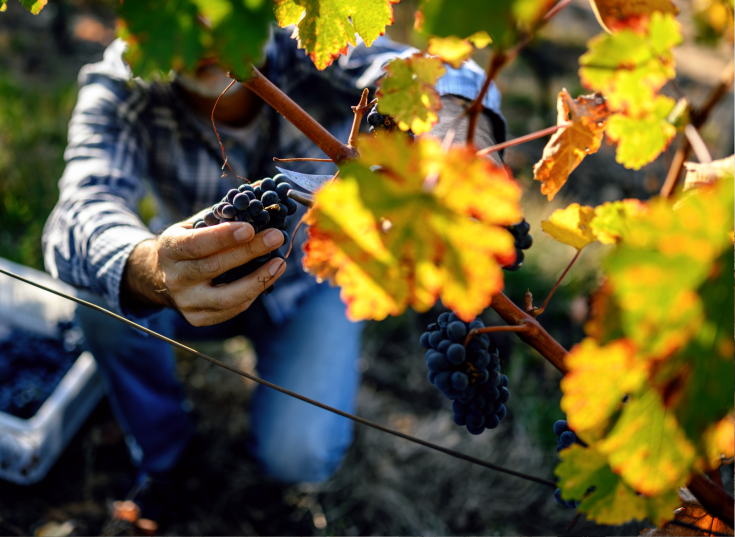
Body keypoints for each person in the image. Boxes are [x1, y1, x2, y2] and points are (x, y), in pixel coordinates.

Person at [42, 26, 505, 520]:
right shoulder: (126, 78)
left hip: (310, 286)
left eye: (222, 1)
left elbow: (446, 70)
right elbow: (80, 210)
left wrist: (457, 121)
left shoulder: (314, 37)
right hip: (188, 282)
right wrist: (148, 266)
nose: (204, 35)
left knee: (299, 455)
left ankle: (278, 477)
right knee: (101, 296)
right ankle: (164, 458)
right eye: (181, 5)